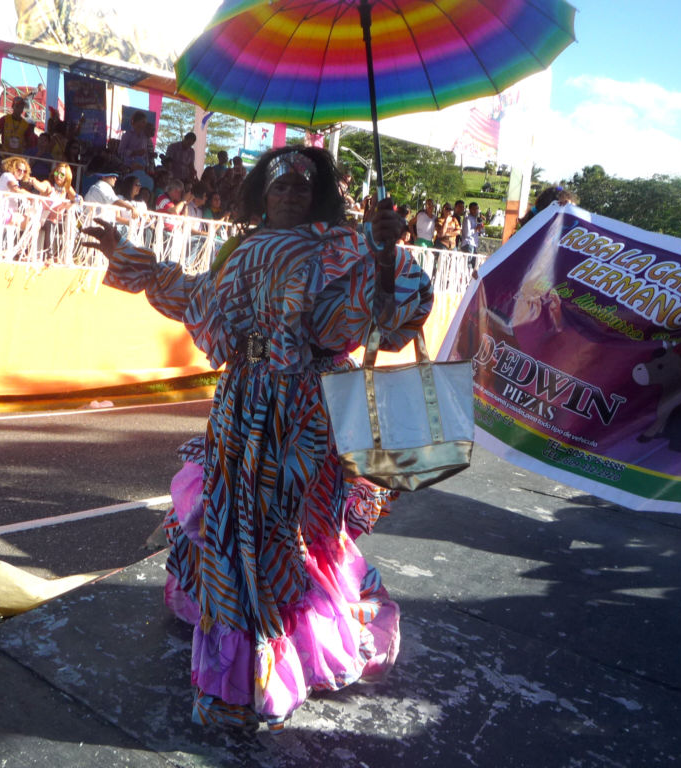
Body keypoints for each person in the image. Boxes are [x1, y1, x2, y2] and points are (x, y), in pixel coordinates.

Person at [82, 145, 433, 729]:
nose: (291, 193)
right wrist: (132, 260)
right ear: (262, 194)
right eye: (279, 185)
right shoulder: (240, 249)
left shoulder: (341, 243)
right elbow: (196, 297)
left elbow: (360, 324)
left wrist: (383, 252)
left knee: (292, 528)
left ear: (317, 192)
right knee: (233, 526)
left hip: (305, 409)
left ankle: (282, 649)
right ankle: (240, 671)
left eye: (301, 185)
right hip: (242, 404)